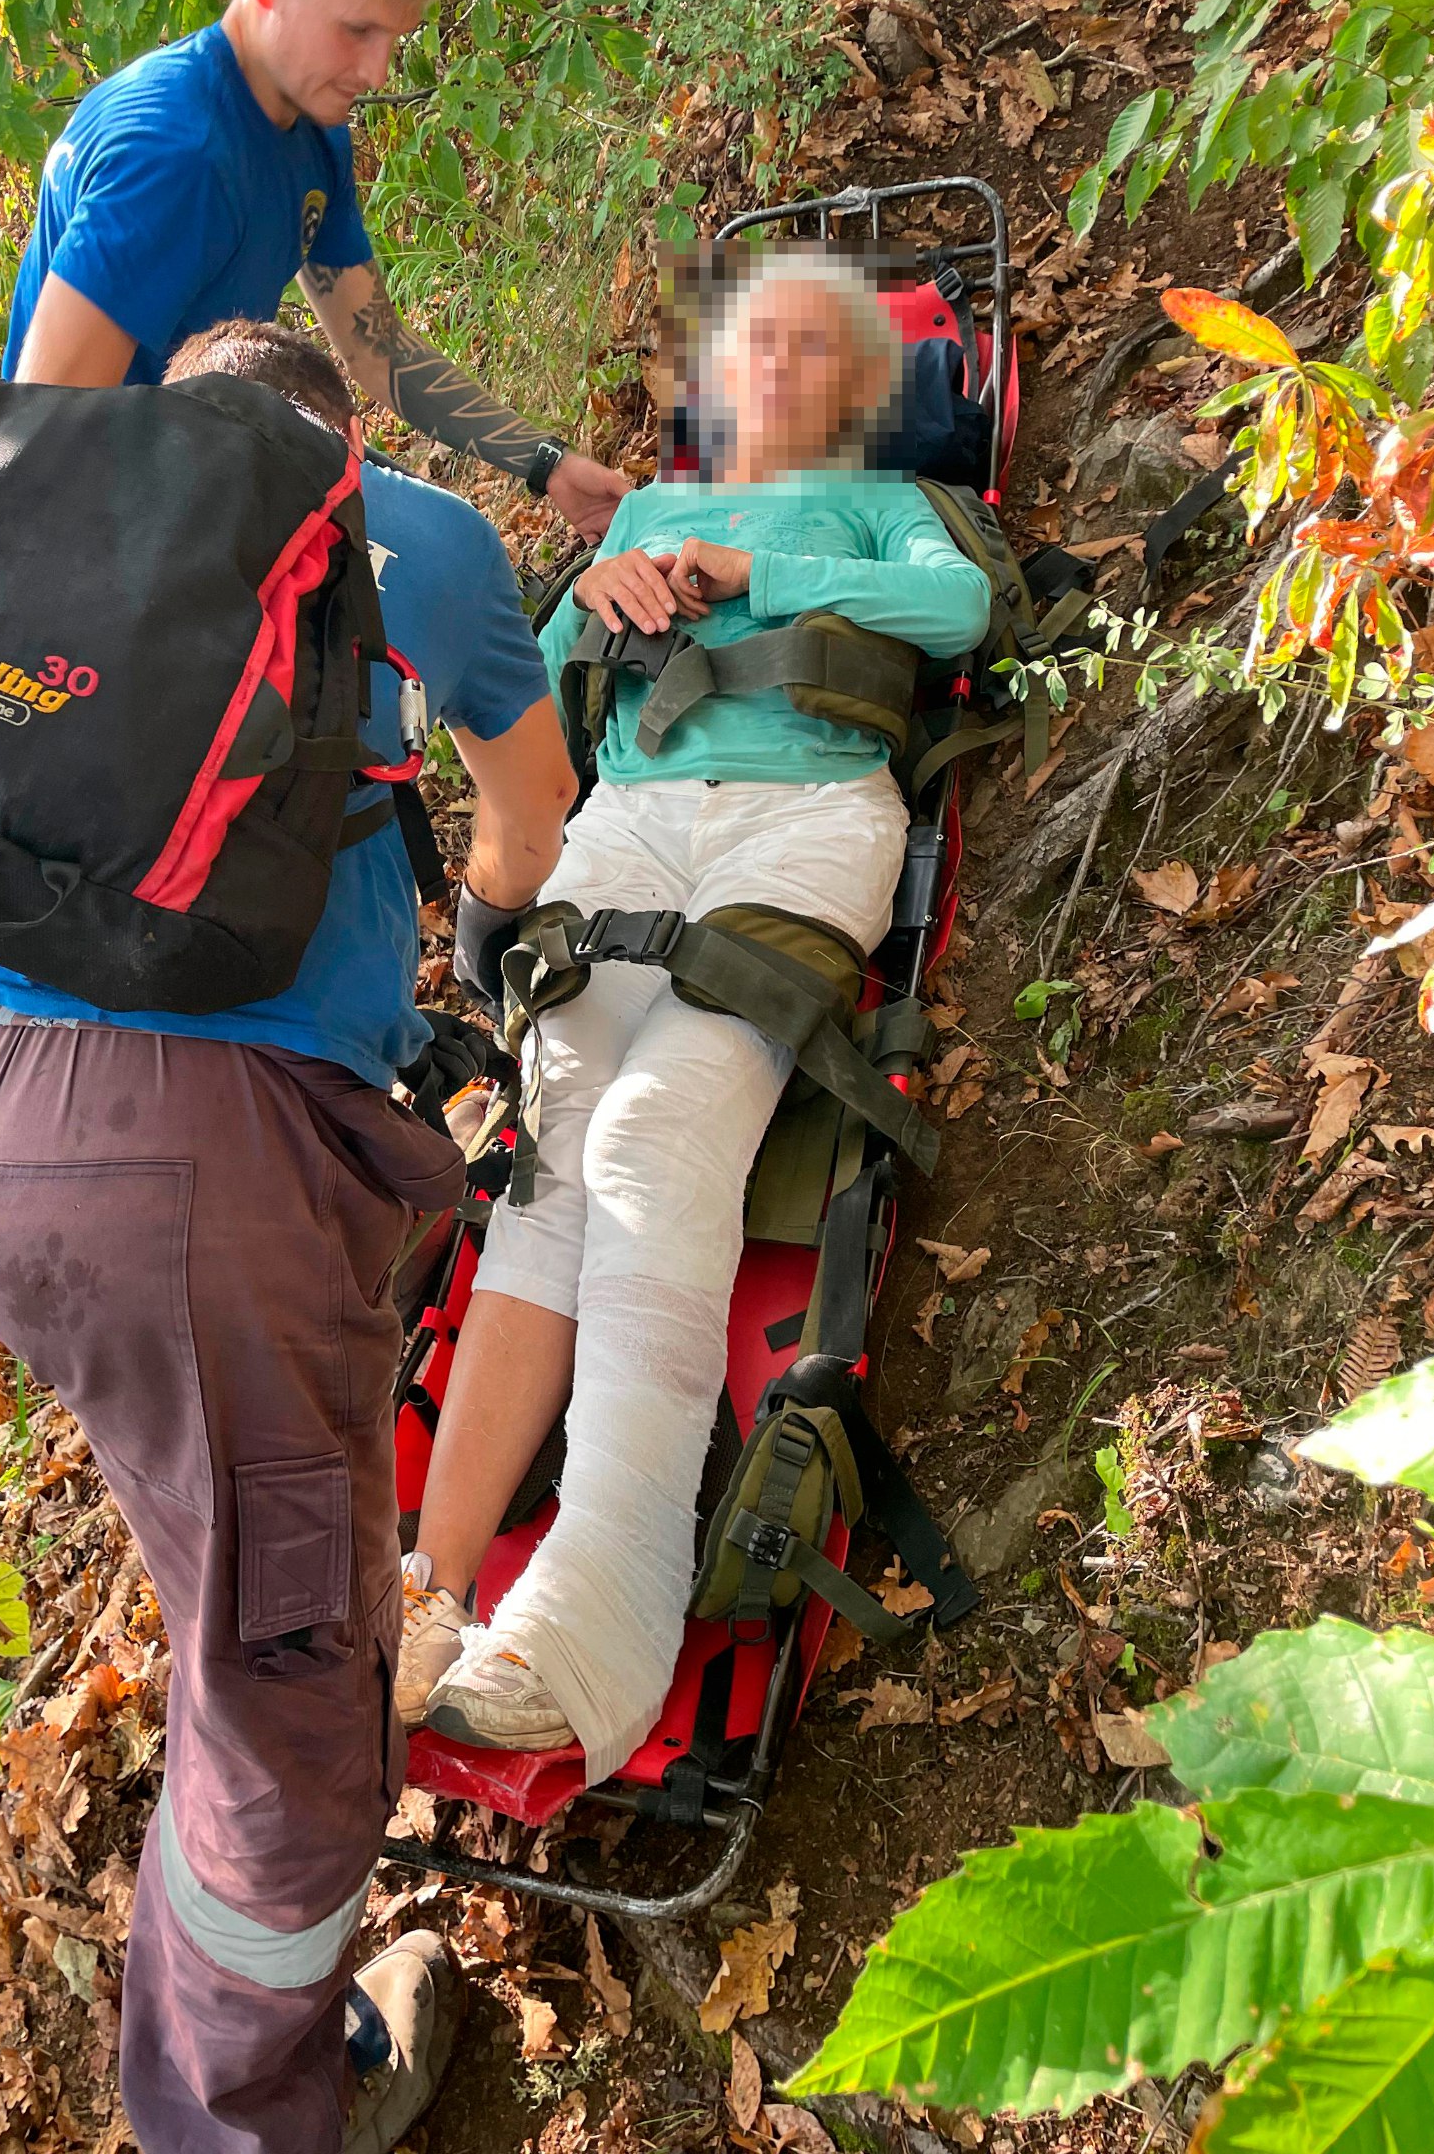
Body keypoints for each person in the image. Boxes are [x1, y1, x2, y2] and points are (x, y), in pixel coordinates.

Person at [0, 321, 577, 2154]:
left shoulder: (26, 509)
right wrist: (467, 964)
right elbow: (529, 823)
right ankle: (239, 2117)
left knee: (187, 1452)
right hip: (139, 1171)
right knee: (287, 1677)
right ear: (335, 444)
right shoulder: (418, 539)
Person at [397, 257, 993, 1782]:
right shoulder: (640, 516)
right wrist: (582, 612)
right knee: (546, 1158)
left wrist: (759, 576)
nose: (781, 369)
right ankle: (429, 1594)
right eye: (759, 346)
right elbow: (515, 724)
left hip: (803, 824)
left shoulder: (880, 505)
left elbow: (959, 606)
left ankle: (599, 1613)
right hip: (633, 826)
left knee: (662, 1135)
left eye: (815, 349)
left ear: (862, 389)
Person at [4, 0, 630, 542]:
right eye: (357, 31)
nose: (377, 74)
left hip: (200, 486)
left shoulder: (308, 128)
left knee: (454, 546)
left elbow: (378, 349)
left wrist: (545, 463)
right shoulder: (176, 156)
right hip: (111, 538)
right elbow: (41, 433)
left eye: (395, 38)